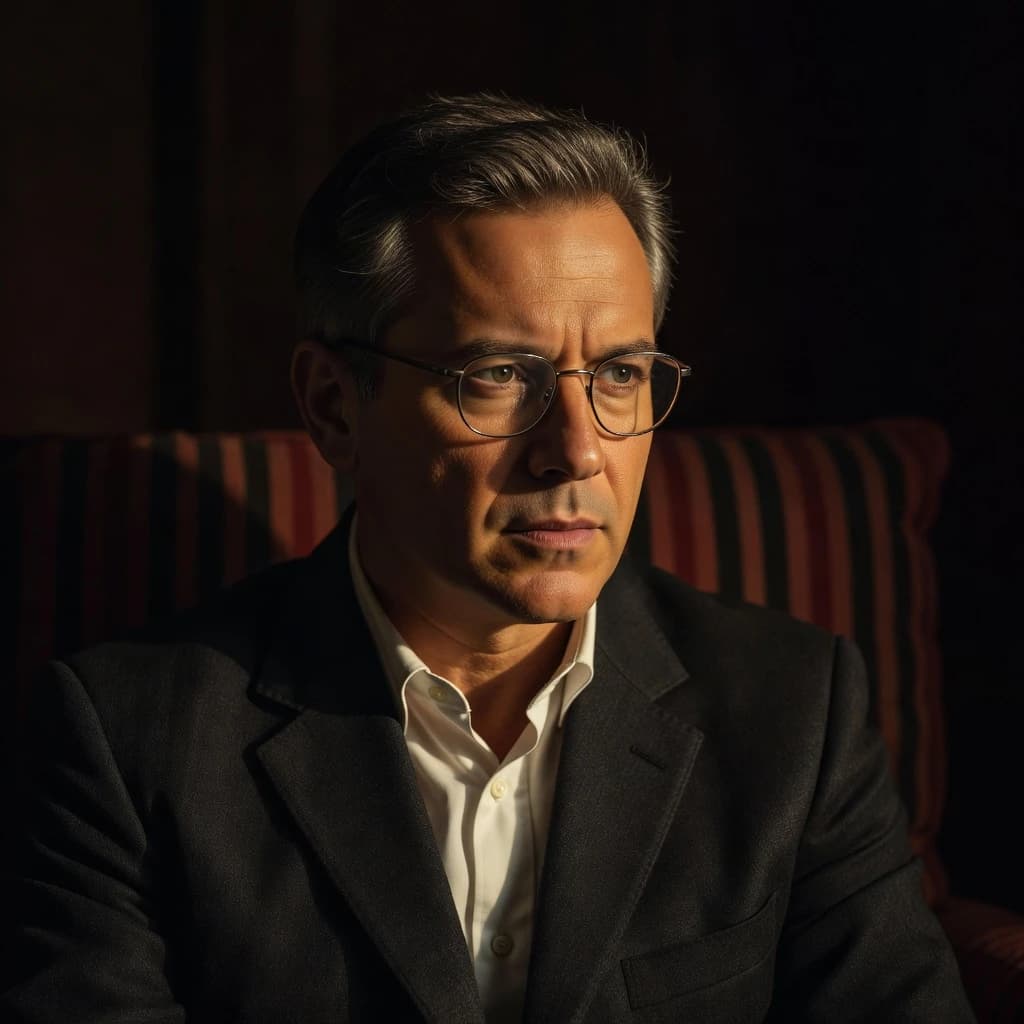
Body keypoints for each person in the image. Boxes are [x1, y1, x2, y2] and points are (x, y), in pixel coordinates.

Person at [4, 93, 973, 1022]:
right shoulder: (125, 741)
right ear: (335, 405)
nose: (578, 448)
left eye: (621, 374)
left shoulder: (794, 712)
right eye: (501, 375)